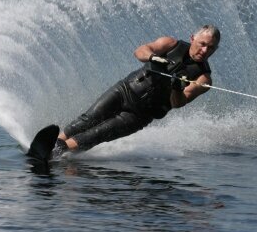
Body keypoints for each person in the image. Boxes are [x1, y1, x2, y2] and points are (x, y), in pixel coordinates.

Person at [52, 24, 220, 157]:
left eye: (211, 48)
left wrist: (176, 87)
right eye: (202, 44)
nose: (205, 51)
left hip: (140, 115)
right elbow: (140, 51)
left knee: (96, 134)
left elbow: (178, 103)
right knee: (87, 119)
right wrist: (152, 57)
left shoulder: (203, 79)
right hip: (125, 90)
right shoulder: (171, 44)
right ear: (193, 38)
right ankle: (53, 144)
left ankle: (57, 153)